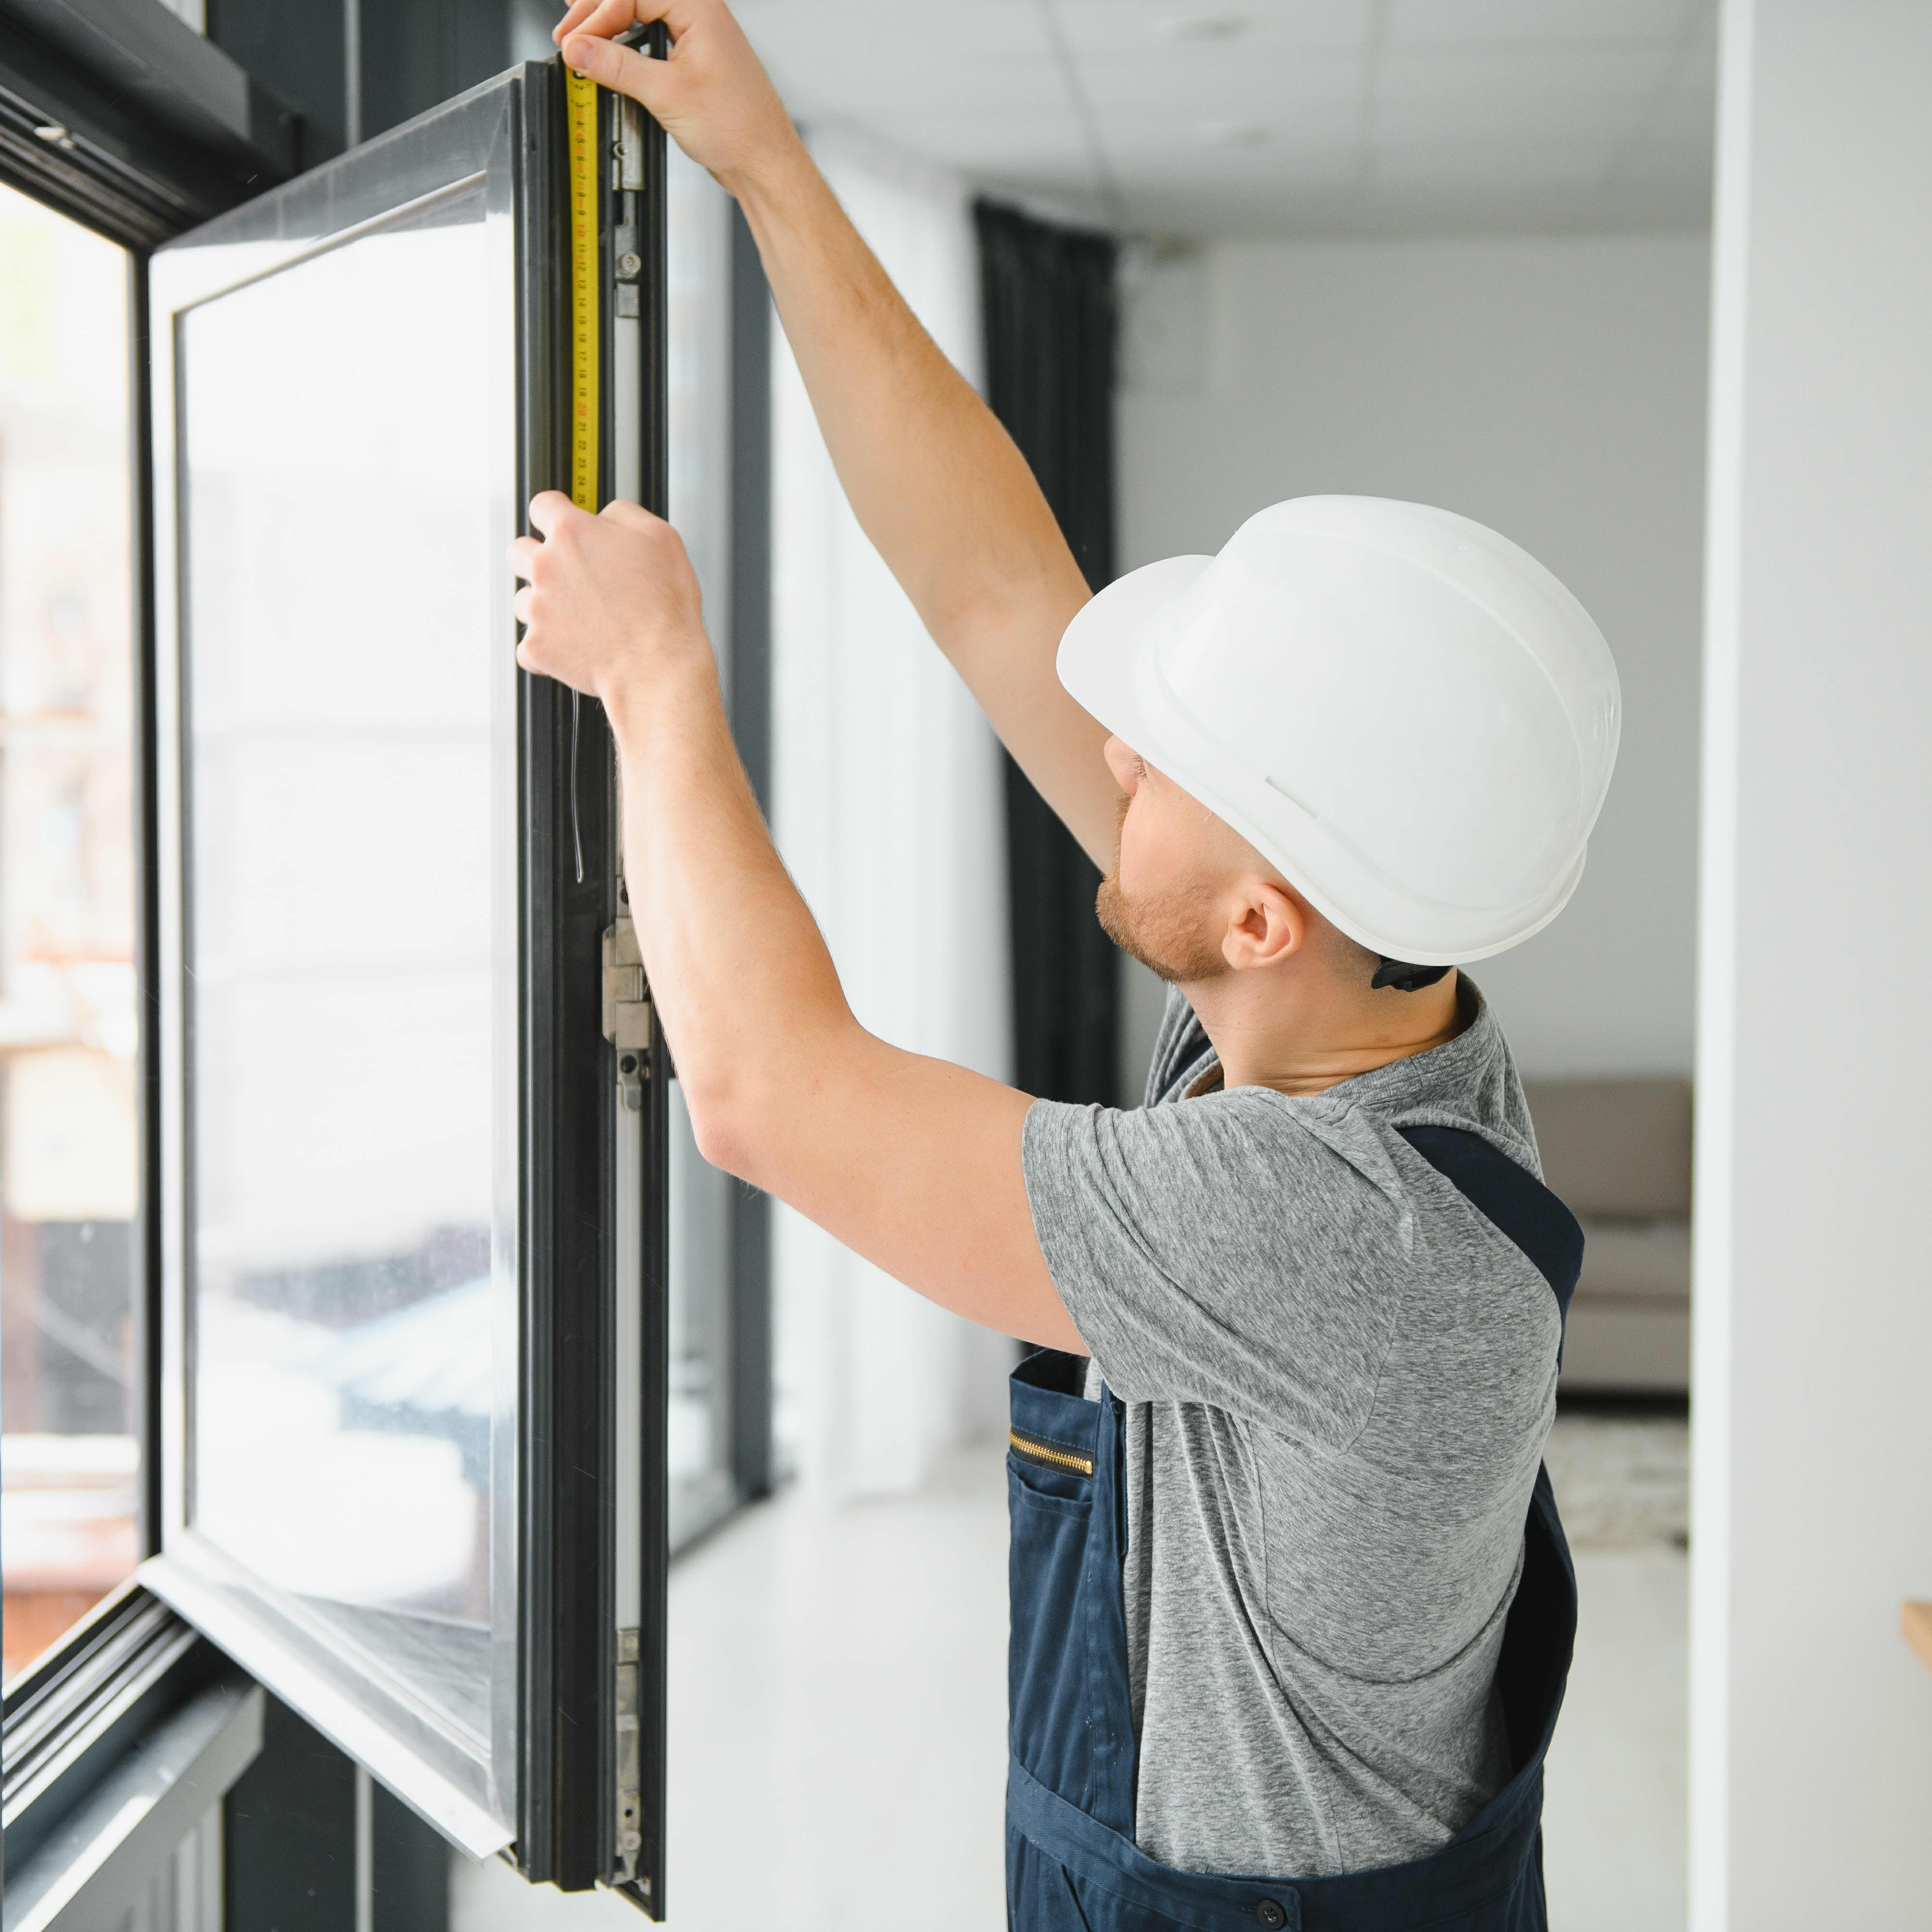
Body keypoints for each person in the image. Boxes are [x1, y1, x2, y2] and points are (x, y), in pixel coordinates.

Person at [513, 3, 1620, 1925]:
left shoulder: (1319, 1221)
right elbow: (998, 587)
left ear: (1263, 916)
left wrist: (657, 682)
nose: (1109, 748)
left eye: (1161, 760)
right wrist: (767, 161)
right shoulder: (1373, 1002)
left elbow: (767, 1096)